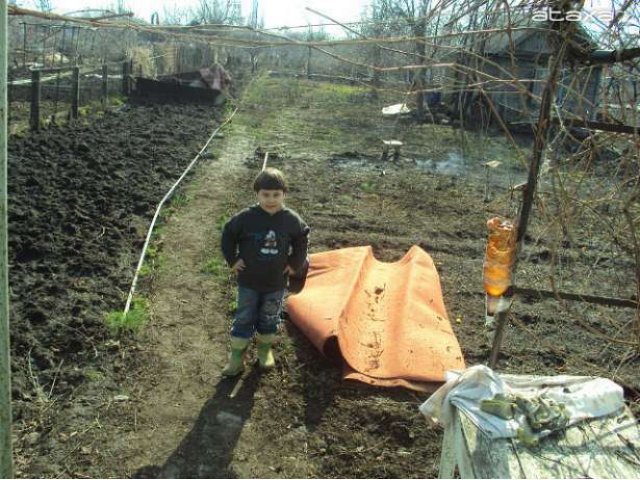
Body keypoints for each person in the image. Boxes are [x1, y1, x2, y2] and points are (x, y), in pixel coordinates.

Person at [220, 167, 310, 376]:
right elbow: (228, 235)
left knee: (270, 316)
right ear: (257, 194)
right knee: (244, 316)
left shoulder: (290, 219)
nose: (271, 199)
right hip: (249, 281)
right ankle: (236, 357)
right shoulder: (246, 218)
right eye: (265, 195)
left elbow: (301, 238)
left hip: (276, 282)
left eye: (276, 195)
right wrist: (232, 259)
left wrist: (295, 263)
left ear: (284, 194)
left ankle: (264, 350)